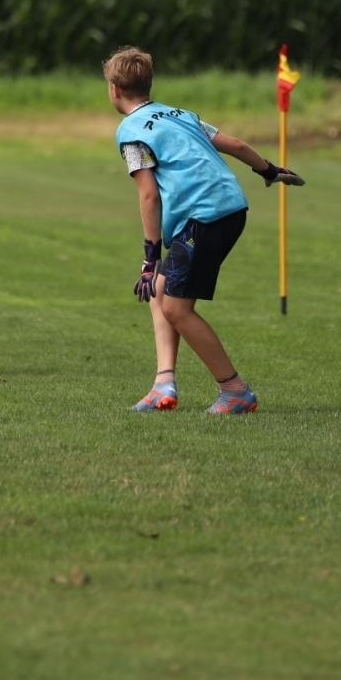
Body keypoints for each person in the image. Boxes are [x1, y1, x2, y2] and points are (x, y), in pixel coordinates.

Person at [103, 46, 306, 414]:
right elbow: (237, 145)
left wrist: (150, 257)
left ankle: (235, 391)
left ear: (114, 89)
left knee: (177, 309)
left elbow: (149, 195)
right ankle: (163, 383)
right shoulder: (180, 114)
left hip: (204, 217)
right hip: (230, 207)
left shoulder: (130, 132)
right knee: (160, 291)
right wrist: (269, 171)